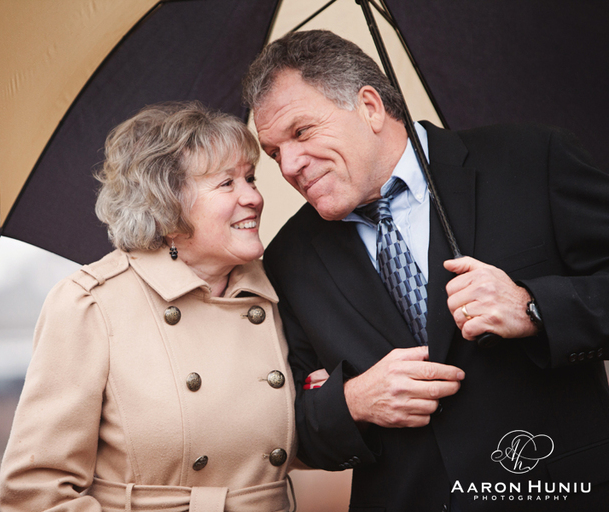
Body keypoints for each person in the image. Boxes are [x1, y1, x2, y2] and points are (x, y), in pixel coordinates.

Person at [243, 29, 609, 511]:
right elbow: (293, 429)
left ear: (370, 106)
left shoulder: (532, 159)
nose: (288, 165)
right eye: (272, 153)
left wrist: (534, 308)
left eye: (301, 132)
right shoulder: (288, 257)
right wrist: (352, 402)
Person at [0, 102, 297, 512]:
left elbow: (292, 441)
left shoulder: (279, 292)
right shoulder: (91, 305)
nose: (254, 197)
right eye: (227, 184)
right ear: (167, 204)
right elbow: (36, 493)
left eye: (250, 178)